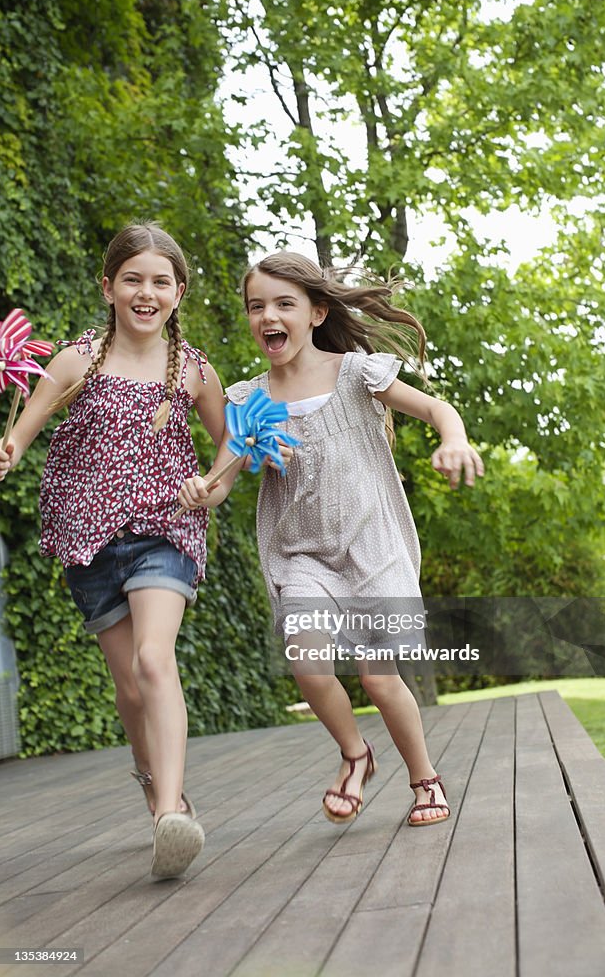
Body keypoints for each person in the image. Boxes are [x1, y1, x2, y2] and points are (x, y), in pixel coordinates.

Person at [179, 251, 484, 827]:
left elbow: (436, 408)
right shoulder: (248, 401)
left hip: (375, 550)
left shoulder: (356, 373)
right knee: (309, 662)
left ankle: (425, 778)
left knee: (377, 676)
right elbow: (222, 478)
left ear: (317, 313)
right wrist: (202, 490)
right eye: (256, 306)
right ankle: (355, 754)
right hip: (301, 555)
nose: (268, 315)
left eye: (284, 304)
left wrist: (455, 437)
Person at [0, 222, 228, 878]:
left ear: (178, 292)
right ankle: (155, 781)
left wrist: (211, 488)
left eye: (160, 281)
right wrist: (9, 450)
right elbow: (24, 431)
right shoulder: (75, 359)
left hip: (165, 529)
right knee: (129, 686)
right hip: (89, 538)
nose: (145, 292)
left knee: (155, 661)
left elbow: (231, 444)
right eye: (132, 279)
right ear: (108, 287)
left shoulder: (194, 370)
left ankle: (169, 812)